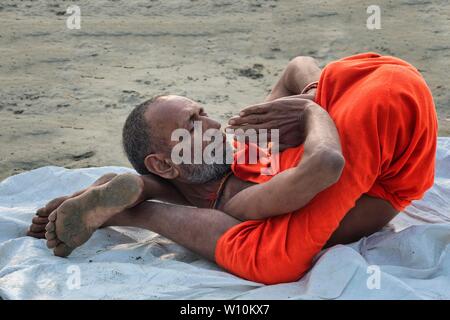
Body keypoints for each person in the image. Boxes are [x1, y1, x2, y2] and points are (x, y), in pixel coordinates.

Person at [28, 53, 437, 284]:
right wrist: (312, 114)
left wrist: (314, 97)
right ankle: (133, 205)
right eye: (193, 124)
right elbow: (326, 163)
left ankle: (133, 203)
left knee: (269, 257)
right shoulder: (238, 201)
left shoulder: (245, 142)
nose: (212, 124)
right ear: (163, 164)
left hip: (372, 89)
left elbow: (298, 64)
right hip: (386, 121)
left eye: (203, 112)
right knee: (267, 255)